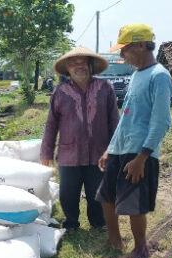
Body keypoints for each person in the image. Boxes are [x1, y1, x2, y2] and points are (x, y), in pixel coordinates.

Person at [96, 24, 172, 258]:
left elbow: (161, 122)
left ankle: (141, 249)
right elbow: (126, 116)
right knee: (106, 197)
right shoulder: (137, 75)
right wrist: (110, 149)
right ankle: (114, 240)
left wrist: (142, 158)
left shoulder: (159, 76)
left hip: (139, 151)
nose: (122, 56)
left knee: (133, 203)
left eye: (125, 49)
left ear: (140, 45)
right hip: (121, 148)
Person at [40, 46, 120, 232]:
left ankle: (98, 223)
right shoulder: (60, 92)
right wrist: (46, 152)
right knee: (68, 192)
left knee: (97, 192)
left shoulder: (104, 88)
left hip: (99, 153)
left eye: (82, 62)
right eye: (73, 63)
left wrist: (115, 150)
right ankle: (71, 223)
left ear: (90, 65)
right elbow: (51, 125)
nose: (78, 66)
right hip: (70, 153)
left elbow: (115, 122)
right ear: (67, 69)